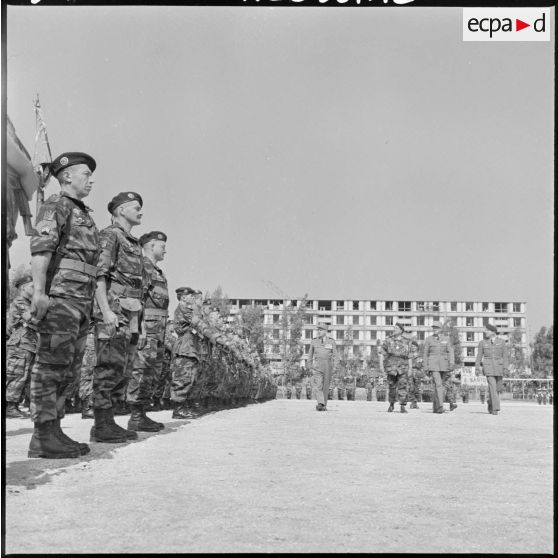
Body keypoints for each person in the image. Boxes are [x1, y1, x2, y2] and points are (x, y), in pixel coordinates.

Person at [27, 152, 98, 458]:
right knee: (51, 366)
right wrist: (40, 292)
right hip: (60, 299)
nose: (90, 179)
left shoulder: (83, 213)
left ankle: (55, 429)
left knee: (68, 368)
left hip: (79, 304)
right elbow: (42, 249)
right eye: (85, 173)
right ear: (67, 175)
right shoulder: (57, 205)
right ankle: (42, 436)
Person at [91, 191, 147, 442]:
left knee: (122, 367)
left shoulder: (132, 242)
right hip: (114, 307)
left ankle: (110, 420)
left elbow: (138, 287)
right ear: (121, 210)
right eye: (136, 207)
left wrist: (140, 323)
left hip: (131, 312)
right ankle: (101, 424)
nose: (141, 211)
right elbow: (99, 275)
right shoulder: (110, 236)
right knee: (108, 365)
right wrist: (105, 311)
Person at [125, 231, 169, 428]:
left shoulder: (157, 271)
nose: (165, 250)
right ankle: (135, 416)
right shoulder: (143, 267)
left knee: (152, 371)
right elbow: (137, 298)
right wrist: (140, 327)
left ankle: (141, 413)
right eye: (162, 246)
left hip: (157, 330)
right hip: (148, 328)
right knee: (141, 370)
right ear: (151, 245)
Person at [5, 273, 36, 418]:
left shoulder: (29, 302)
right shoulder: (19, 301)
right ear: (24, 288)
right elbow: (31, 318)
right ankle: (10, 406)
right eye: (32, 286)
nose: (35, 288)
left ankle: (20, 404)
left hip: (29, 344)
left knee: (26, 375)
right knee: (17, 375)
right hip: (19, 344)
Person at [475, 324, 509, 415]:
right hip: (488, 367)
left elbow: (505, 356)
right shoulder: (482, 343)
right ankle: (495, 408)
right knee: (493, 387)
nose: (485, 332)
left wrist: (506, 368)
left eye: (487, 330)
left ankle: (490, 403)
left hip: (499, 368)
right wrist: (477, 368)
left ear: (493, 332)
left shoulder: (502, 342)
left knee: (497, 389)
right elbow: (479, 356)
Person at [423, 321, 456, 414]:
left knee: (439, 386)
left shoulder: (447, 338)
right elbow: (425, 354)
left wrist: (452, 363)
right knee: (438, 385)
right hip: (433, 365)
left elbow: (450, 351)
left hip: (444, 365)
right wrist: (425, 366)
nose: (434, 329)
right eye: (433, 328)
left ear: (441, 329)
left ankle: (436, 406)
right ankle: (441, 406)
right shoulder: (429, 339)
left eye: (436, 328)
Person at [380, 323, 412, 413]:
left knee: (403, 386)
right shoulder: (388, 340)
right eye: (394, 328)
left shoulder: (407, 341)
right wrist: (381, 366)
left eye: (397, 328)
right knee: (392, 387)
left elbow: (409, 356)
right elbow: (382, 354)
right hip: (391, 367)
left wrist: (410, 369)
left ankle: (402, 406)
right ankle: (391, 404)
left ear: (401, 330)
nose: (394, 329)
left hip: (403, 367)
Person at [306, 323, 338, 411]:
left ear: (325, 331)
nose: (318, 332)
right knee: (318, 385)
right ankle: (320, 403)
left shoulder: (331, 342)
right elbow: (310, 355)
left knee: (325, 386)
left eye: (321, 330)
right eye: (318, 330)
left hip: (328, 366)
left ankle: (323, 405)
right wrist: (309, 366)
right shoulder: (314, 341)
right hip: (317, 366)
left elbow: (335, 356)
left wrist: (335, 367)